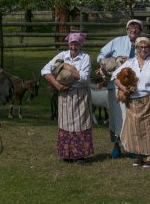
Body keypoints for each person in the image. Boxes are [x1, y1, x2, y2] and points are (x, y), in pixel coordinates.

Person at [111, 37, 150, 168]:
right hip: (133, 102)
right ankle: (138, 156)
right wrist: (123, 88)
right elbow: (114, 76)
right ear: (136, 49)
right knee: (135, 129)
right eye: (141, 47)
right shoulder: (130, 63)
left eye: (146, 47)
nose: (144, 50)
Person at [41, 32, 94, 164]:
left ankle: (80, 155)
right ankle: (66, 154)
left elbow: (84, 78)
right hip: (64, 94)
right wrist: (57, 85)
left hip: (80, 94)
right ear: (68, 44)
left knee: (80, 123)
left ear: (80, 44)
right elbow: (45, 70)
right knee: (66, 123)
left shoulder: (84, 57)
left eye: (76, 44)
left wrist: (68, 67)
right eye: (71, 43)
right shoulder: (62, 55)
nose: (73, 46)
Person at [97, 19, 143, 159]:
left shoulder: (143, 43)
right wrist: (105, 64)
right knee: (116, 115)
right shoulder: (117, 41)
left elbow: (149, 60)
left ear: (140, 30)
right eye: (130, 27)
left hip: (135, 87)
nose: (133, 30)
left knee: (132, 116)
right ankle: (116, 145)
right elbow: (101, 55)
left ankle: (131, 146)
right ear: (126, 29)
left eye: (136, 28)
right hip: (115, 85)